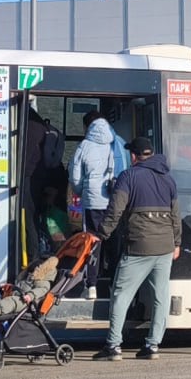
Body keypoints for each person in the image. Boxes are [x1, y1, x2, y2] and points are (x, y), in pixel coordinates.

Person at [92, 136, 180, 362]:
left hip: (139, 245)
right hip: (165, 246)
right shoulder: (168, 179)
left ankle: (113, 346)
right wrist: (177, 243)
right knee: (160, 296)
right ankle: (152, 346)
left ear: (133, 156)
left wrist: (101, 234)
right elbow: (175, 215)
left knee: (121, 294)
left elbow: (115, 210)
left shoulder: (128, 176)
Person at [70, 110, 121, 299]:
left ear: (88, 127)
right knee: (113, 244)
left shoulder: (84, 145)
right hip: (114, 201)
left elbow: (75, 176)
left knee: (92, 243)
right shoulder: (116, 143)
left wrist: (79, 192)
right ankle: (114, 285)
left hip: (92, 201)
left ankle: (91, 286)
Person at [0, 255, 60, 321]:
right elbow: (20, 286)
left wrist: (30, 296)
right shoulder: (30, 277)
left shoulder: (44, 282)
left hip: (28, 303)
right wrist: (10, 286)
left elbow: (41, 290)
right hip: (19, 296)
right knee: (0, 299)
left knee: (10, 301)